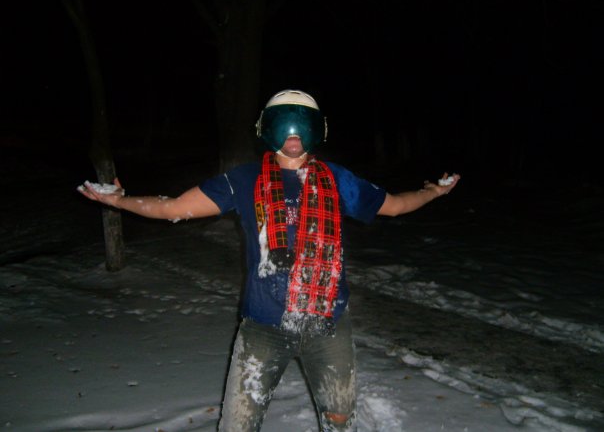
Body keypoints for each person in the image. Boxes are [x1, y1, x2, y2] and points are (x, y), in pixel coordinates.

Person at [79, 89, 460, 431]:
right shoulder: (244, 180)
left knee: (340, 420)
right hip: (263, 325)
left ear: (318, 130)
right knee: (238, 424)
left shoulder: (337, 179)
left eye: (302, 125)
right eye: (283, 124)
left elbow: (394, 205)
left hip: (328, 322)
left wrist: (433, 193)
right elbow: (174, 208)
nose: (293, 135)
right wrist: (120, 200)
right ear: (267, 129)